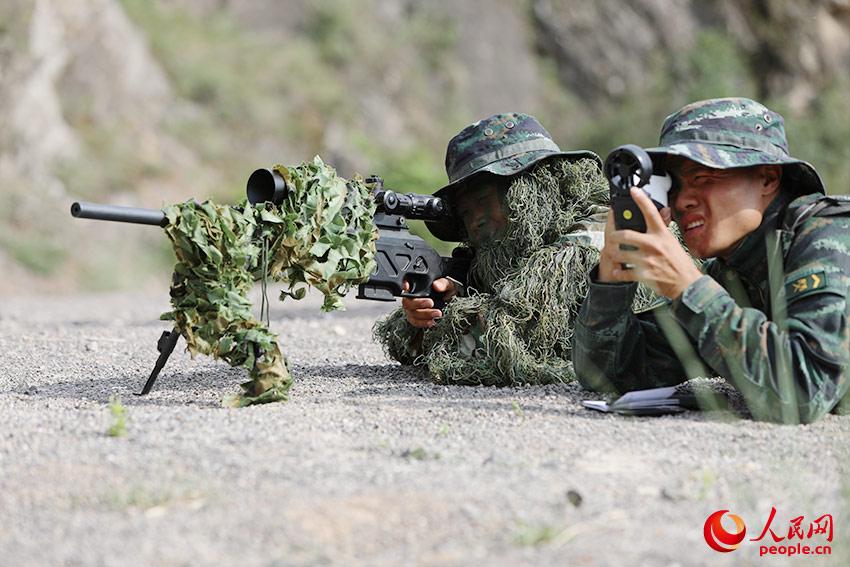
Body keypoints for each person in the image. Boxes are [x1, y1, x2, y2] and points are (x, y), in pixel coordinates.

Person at [573, 97, 850, 423]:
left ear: (768, 179)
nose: (683, 201)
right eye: (674, 187)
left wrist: (690, 288)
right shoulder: (732, 274)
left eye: (704, 178)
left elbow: (803, 392)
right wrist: (615, 275)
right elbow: (606, 374)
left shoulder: (831, 234)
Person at [374, 112, 644, 386]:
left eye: (484, 199)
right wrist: (423, 315)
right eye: (465, 212)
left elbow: (496, 341)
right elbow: (407, 348)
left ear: (535, 186)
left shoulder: (599, 231)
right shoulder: (504, 256)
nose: (476, 219)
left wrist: (450, 321)